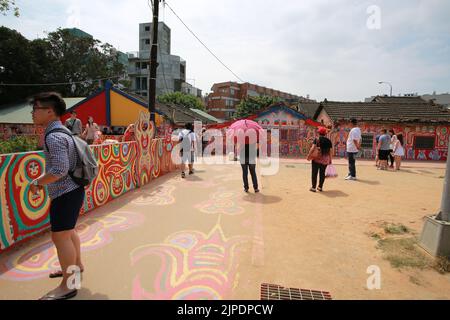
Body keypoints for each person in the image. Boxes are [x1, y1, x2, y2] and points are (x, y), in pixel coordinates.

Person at [30, 92, 85, 300]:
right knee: (68, 233)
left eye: (36, 109)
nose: (33, 113)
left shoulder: (53, 136)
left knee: (60, 236)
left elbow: (60, 169)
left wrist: (37, 182)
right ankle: (76, 266)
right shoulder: (64, 132)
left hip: (65, 192)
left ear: (49, 111)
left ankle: (68, 285)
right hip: (72, 190)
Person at [310, 127, 333, 192]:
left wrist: (309, 155)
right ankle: (320, 187)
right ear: (325, 133)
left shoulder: (317, 139)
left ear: (318, 133)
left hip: (316, 158)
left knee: (314, 173)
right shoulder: (329, 141)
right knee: (322, 173)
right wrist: (330, 160)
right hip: (325, 159)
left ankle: (313, 187)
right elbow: (331, 151)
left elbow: (312, 148)